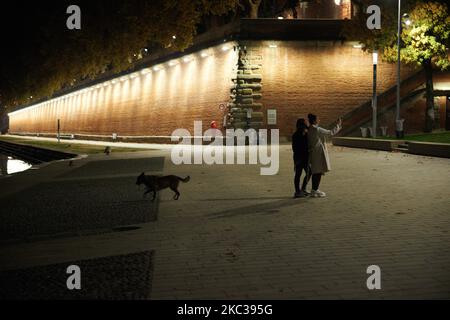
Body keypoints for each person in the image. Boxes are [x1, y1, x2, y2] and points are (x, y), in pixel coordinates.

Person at [307, 114, 342, 198]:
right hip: (318, 153)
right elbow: (330, 133)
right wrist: (338, 125)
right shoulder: (317, 129)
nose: (319, 120)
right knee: (318, 172)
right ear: (314, 121)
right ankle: (315, 190)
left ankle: (314, 189)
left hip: (312, 153)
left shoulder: (309, 129)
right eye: (318, 119)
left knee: (316, 172)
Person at [292, 118, 311, 198]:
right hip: (299, 157)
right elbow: (295, 148)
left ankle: (302, 189)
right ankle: (297, 191)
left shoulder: (306, 134)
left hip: (304, 157)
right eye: (303, 124)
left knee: (309, 172)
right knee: (298, 174)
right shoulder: (296, 135)